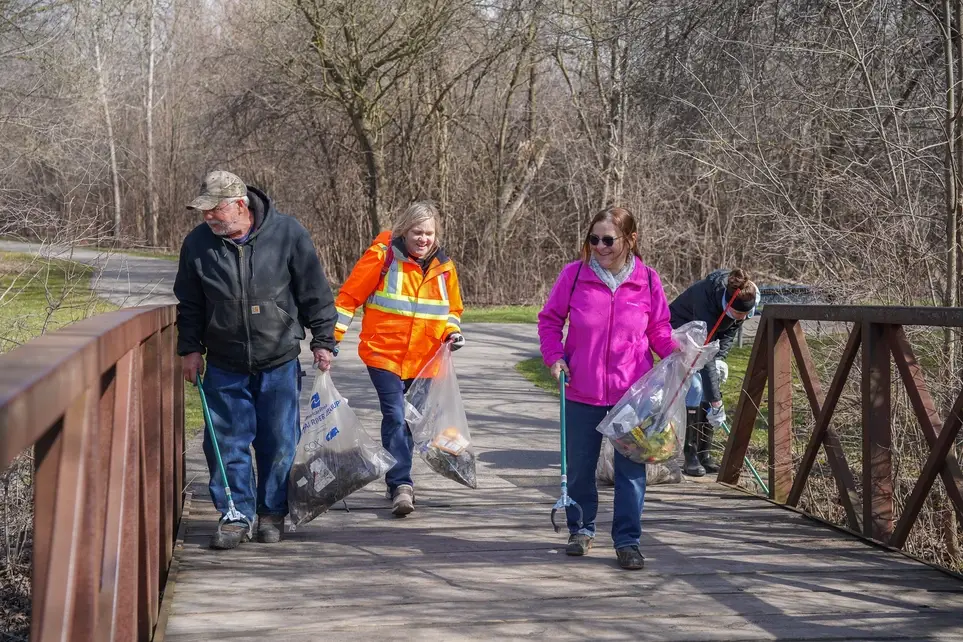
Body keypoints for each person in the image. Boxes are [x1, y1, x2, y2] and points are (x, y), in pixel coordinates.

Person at [174, 170, 338, 550]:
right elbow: (191, 302)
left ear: (240, 205)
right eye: (204, 212)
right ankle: (235, 514)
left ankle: (271, 513)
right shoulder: (198, 244)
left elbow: (314, 290)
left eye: (215, 210)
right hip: (224, 362)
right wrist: (190, 348)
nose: (208, 218)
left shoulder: (287, 233)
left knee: (278, 442)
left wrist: (323, 340)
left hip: (278, 359)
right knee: (226, 443)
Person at [537, 206, 677, 570]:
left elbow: (658, 329)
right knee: (581, 469)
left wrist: (679, 353)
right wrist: (554, 357)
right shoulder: (574, 275)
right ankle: (581, 529)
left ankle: (627, 541)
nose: (599, 246)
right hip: (581, 389)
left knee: (631, 474)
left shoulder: (647, 280)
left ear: (630, 240)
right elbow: (550, 320)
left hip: (633, 395)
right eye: (593, 238)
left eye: (608, 240)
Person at [334, 201, 465, 517]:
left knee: (412, 420)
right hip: (385, 356)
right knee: (395, 415)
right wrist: (329, 342)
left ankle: (398, 479)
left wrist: (451, 332)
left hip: (425, 360)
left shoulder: (444, 268)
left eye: (429, 233)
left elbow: (453, 310)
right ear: (404, 230)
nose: (423, 239)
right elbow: (348, 299)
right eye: (417, 232)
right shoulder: (382, 258)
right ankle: (401, 485)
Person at [669, 268, 760, 477]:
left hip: (706, 340)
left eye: (745, 314)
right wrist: (716, 402)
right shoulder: (706, 300)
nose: (743, 317)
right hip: (681, 331)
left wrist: (721, 358)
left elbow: (729, 332)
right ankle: (690, 454)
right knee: (697, 387)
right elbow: (704, 348)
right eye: (739, 314)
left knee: (713, 381)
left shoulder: (746, 297)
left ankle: (705, 453)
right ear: (727, 305)